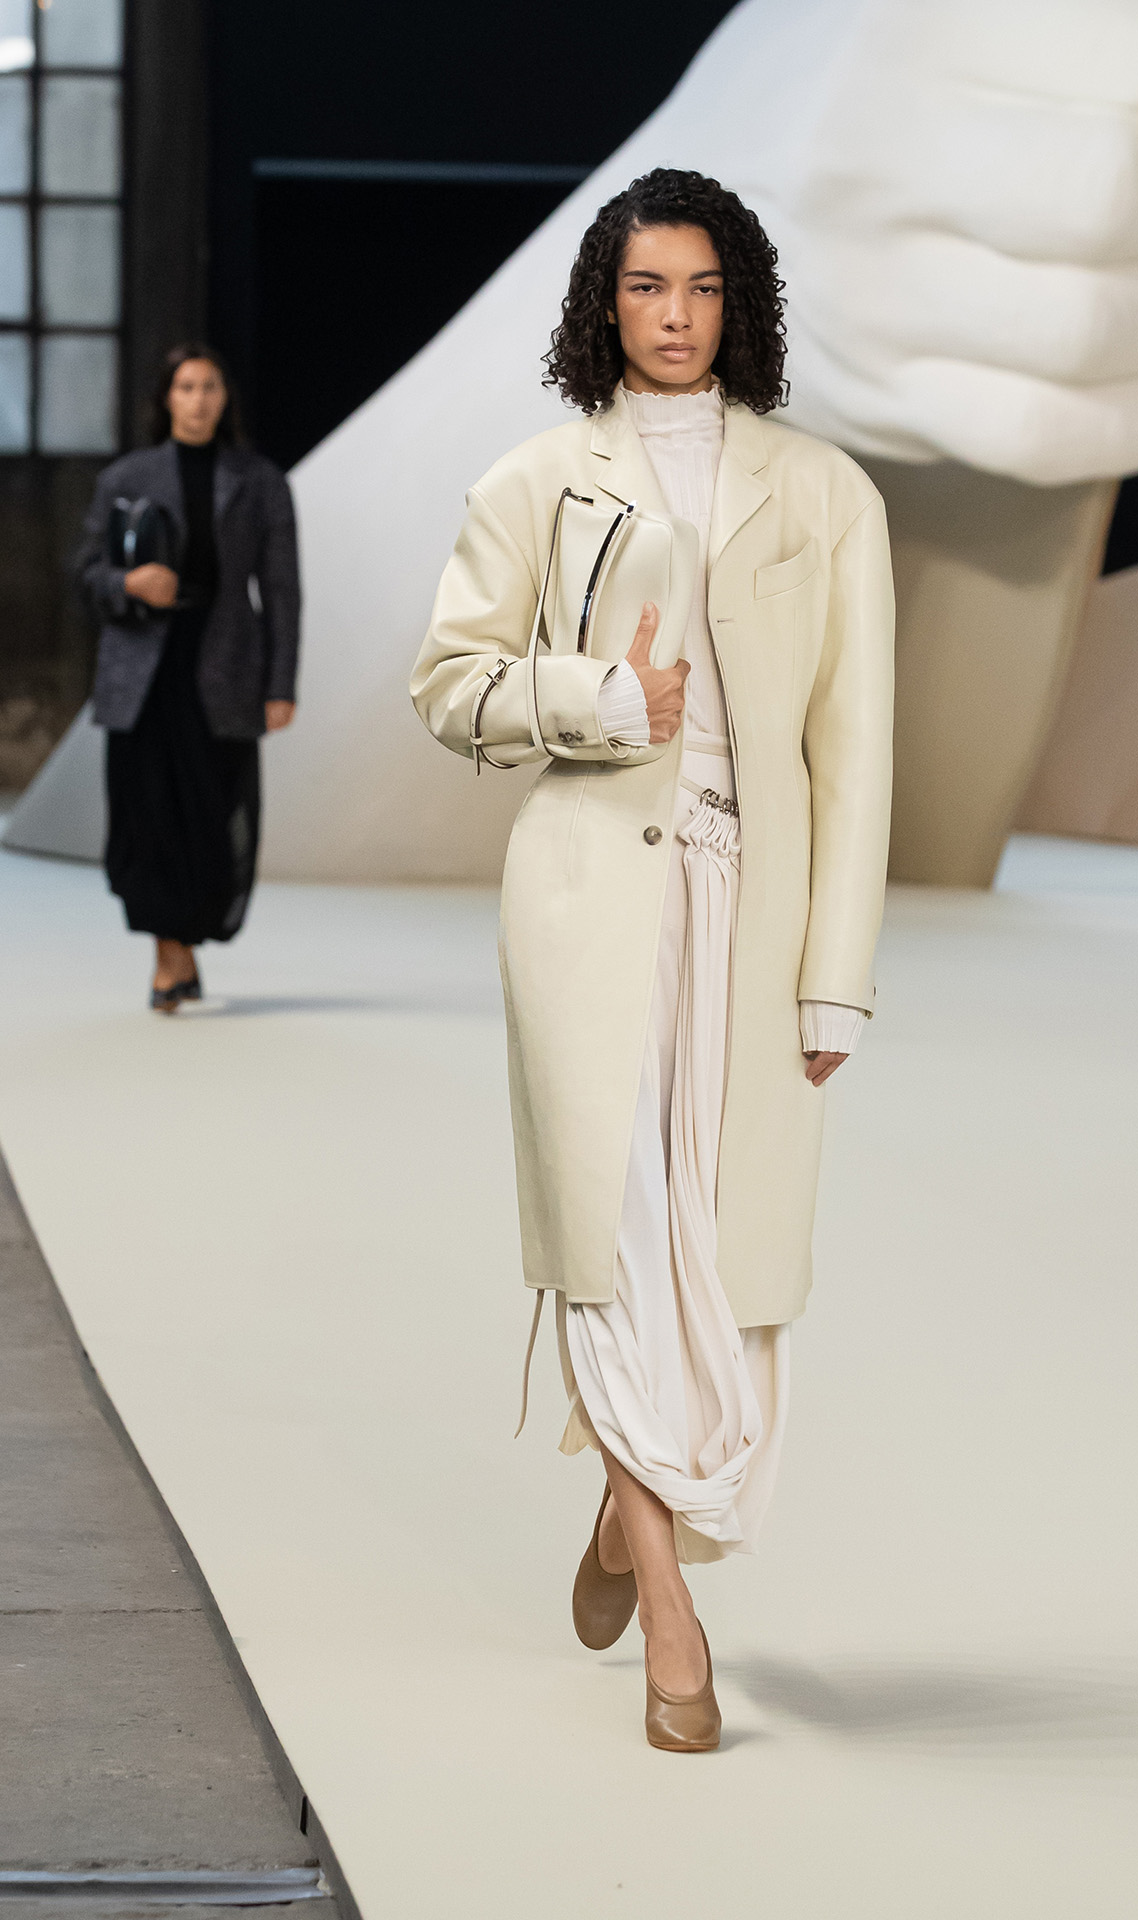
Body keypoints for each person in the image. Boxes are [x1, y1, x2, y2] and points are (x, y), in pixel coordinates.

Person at [411, 169, 894, 1750]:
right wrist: (599, 701)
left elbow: (855, 752)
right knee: (608, 1236)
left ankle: (631, 1508)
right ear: (600, 305)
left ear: (736, 300)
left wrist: (834, 970)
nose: (671, 317)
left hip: (754, 911)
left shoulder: (825, 495)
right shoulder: (538, 480)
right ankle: (671, 1622)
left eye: (697, 286)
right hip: (581, 908)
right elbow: (447, 684)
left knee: (726, 1259)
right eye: (641, 287)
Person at [77, 345, 300, 1010]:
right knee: (145, 817)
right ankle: (168, 957)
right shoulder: (127, 476)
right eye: (185, 387)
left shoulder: (259, 481)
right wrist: (130, 583)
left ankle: (184, 943)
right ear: (166, 397)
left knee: (215, 815)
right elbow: (85, 573)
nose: (198, 400)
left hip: (224, 666)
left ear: (225, 398)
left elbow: (282, 591)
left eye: (210, 387)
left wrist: (280, 685)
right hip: (143, 670)